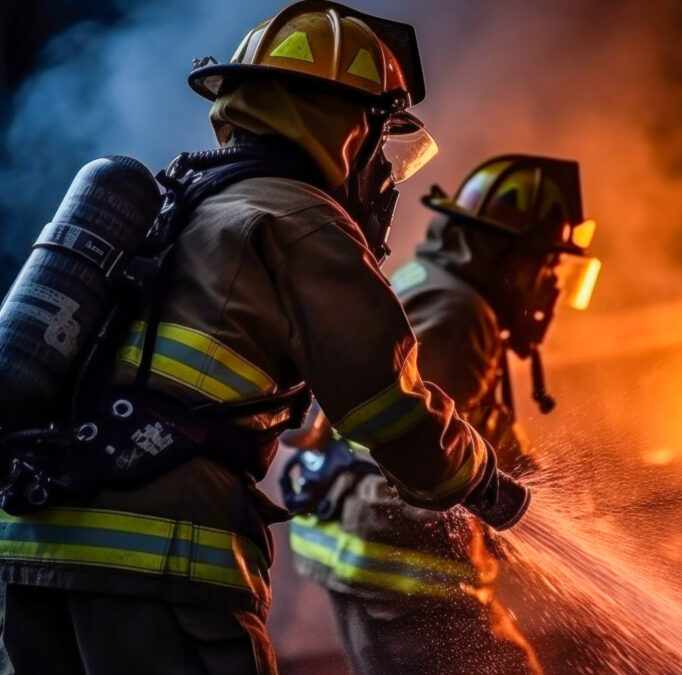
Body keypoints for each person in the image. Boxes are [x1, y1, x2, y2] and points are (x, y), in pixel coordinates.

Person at [0, 3, 517, 673]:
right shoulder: (301, 220)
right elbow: (383, 406)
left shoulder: (173, 199)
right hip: (159, 561)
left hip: (29, 550)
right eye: (379, 139)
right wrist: (477, 474)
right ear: (347, 129)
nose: (382, 172)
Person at [285, 155, 601, 674]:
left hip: (362, 554)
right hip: (404, 573)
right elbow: (423, 447)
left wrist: (544, 490)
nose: (550, 283)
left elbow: (463, 419)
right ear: (504, 253)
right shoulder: (459, 314)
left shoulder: (435, 283)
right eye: (546, 262)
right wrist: (504, 506)